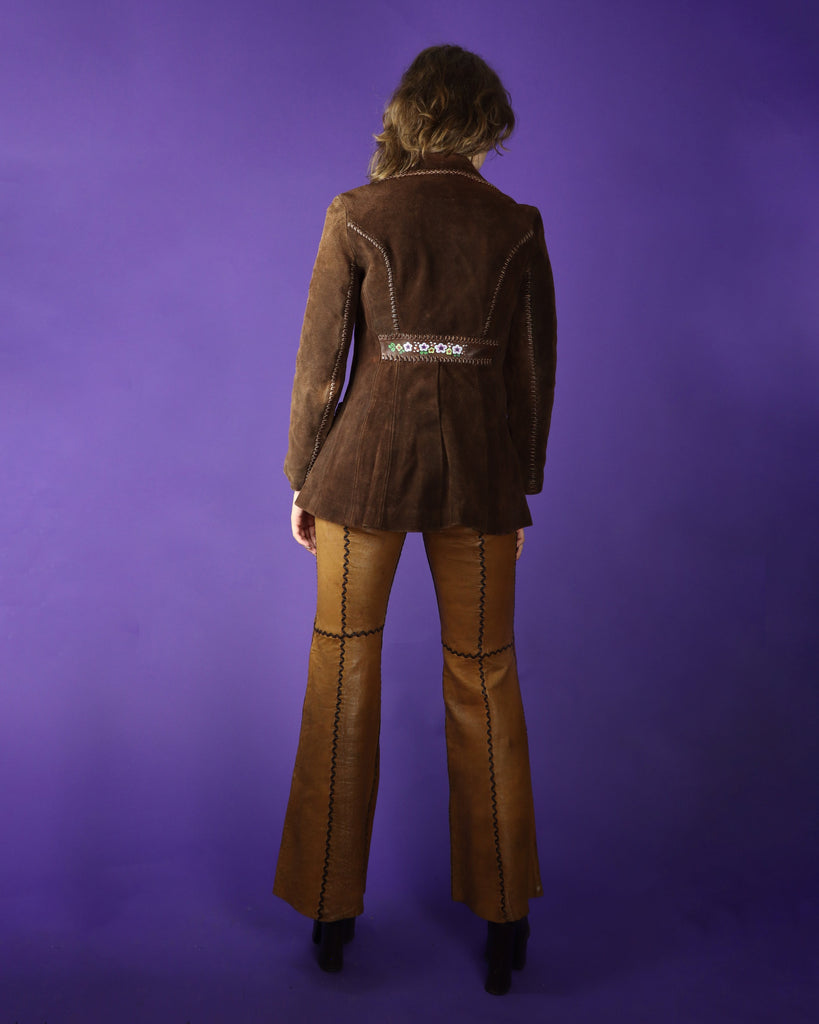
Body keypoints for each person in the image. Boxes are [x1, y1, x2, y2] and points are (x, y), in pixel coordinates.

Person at [273, 44, 557, 996]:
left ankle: (329, 912)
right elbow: (528, 376)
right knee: (484, 676)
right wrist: (518, 488)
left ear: (407, 116)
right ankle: (506, 919)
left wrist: (303, 480)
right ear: (483, 121)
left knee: (340, 666)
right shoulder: (516, 223)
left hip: (361, 477)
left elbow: (321, 370)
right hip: (479, 483)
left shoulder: (356, 212)